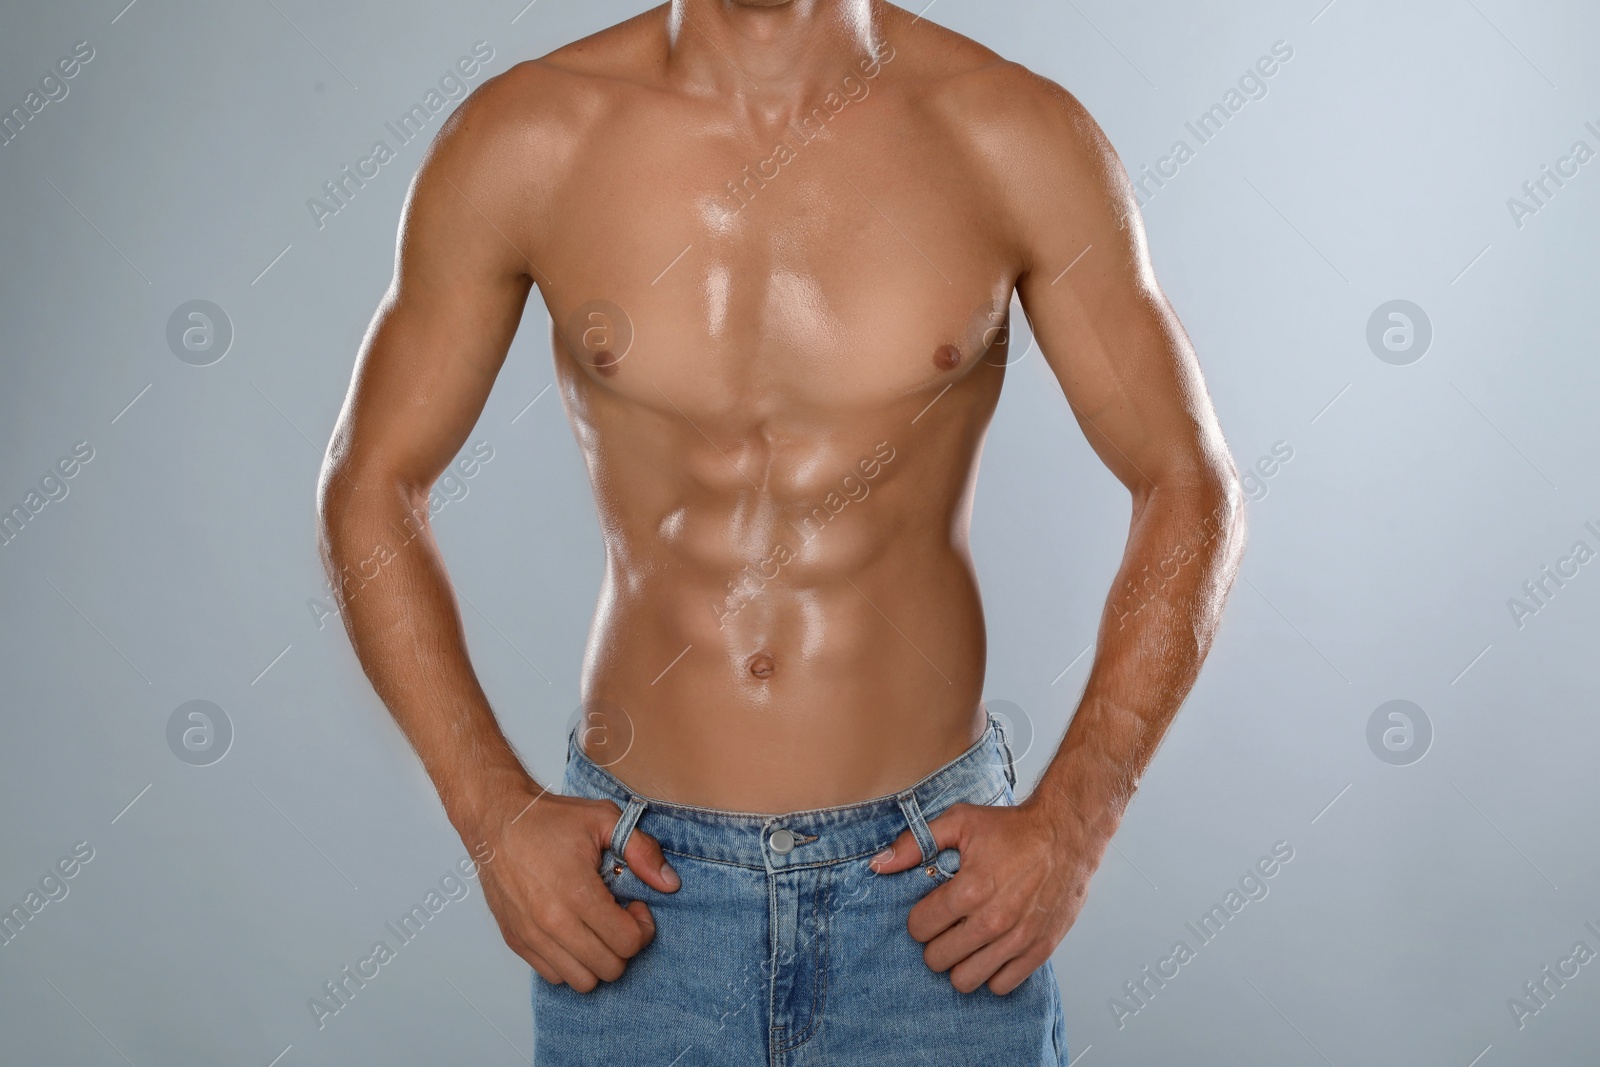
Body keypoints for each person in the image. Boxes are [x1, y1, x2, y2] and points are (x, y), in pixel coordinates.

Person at [316, 1, 1246, 1063]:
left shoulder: (1007, 134)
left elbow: (1189, 483)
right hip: (639, 902)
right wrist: (491, 816)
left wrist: (1073, 825)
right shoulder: (532, 135)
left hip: (933, 905)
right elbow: (370, 482)